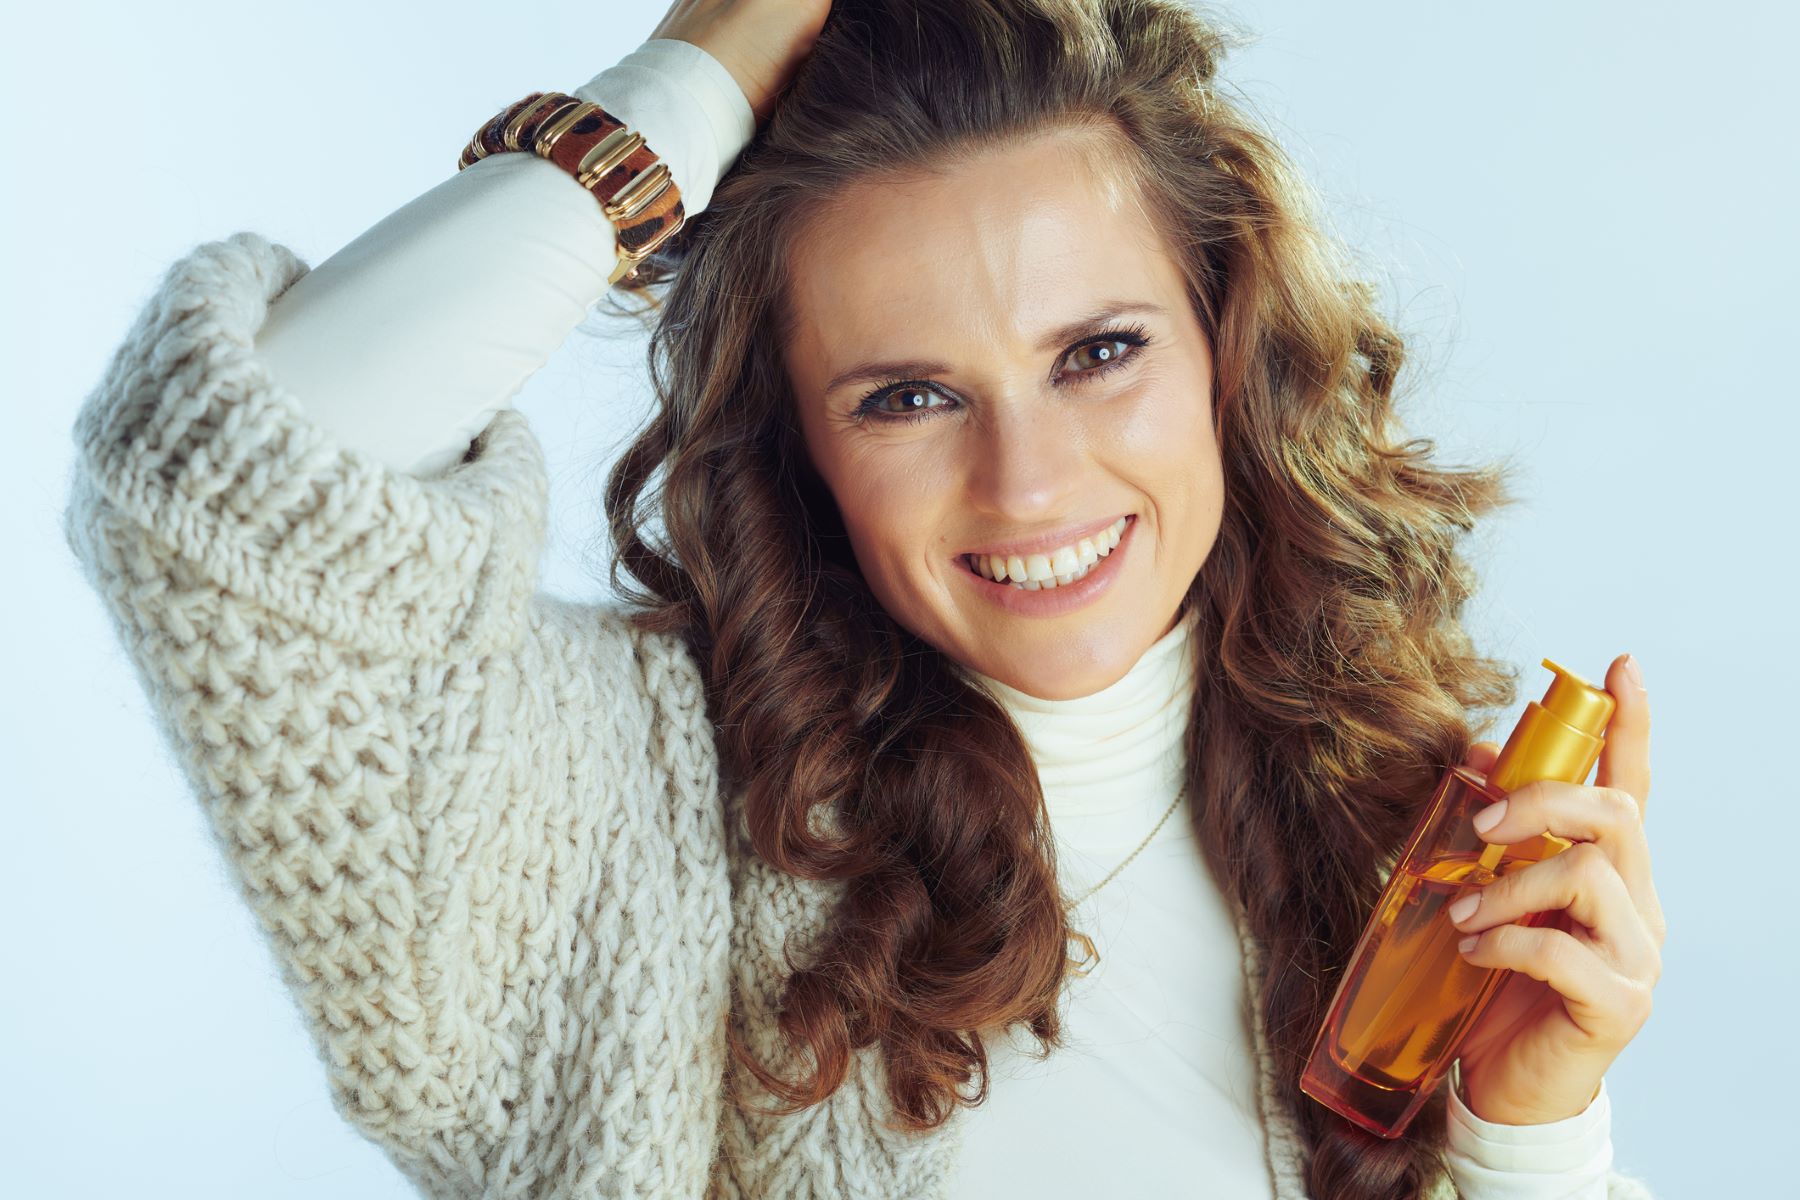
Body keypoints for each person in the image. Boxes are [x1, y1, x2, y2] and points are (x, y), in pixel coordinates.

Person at [60, 0, 1665, 1196]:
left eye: (1098, 353)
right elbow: (215, 480)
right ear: (798, 445)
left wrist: (1533, 1135)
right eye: (907, 397)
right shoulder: (635, 816)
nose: (1027, 485)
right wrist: (705, 61)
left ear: (1228, 352)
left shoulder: (1410, 831)